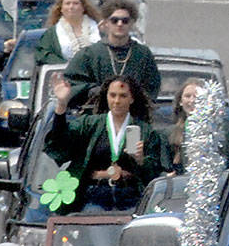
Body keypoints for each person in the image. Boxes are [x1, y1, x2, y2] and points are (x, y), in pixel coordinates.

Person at [46, 74, 168, 211]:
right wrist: (61, 105)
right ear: (106, 96)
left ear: (132, 99)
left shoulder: (146, 131)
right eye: (113, 95)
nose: (117, 101)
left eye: (123, 96)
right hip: (94, 196)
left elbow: (155, 173)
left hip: (131, 198)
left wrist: (140, 160)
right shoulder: (90, 124)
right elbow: (60, 141)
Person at [64, 0, 161, 109]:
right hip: (96, 115)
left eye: (125, 20)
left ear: (132, 23)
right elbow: (70, 85)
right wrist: (94, 91)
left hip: (133, 116)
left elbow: (152, 88)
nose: (120, 24)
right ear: (106, 23)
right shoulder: (89, 54)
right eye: (114, 20)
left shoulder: (143, 54)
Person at [7, 0, 101, 65]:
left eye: (76, 3)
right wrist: (65, 65)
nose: (71, 7)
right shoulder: (51, 33)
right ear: (61, 9)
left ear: (83, 7)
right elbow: (43, 55)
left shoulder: (99, 29)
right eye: (67, 4)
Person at [167, 78, 204, 173]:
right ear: (180, 101)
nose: (192, 100)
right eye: (187, 96)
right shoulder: (169, 135)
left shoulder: (220, 134)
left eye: (197, 97)